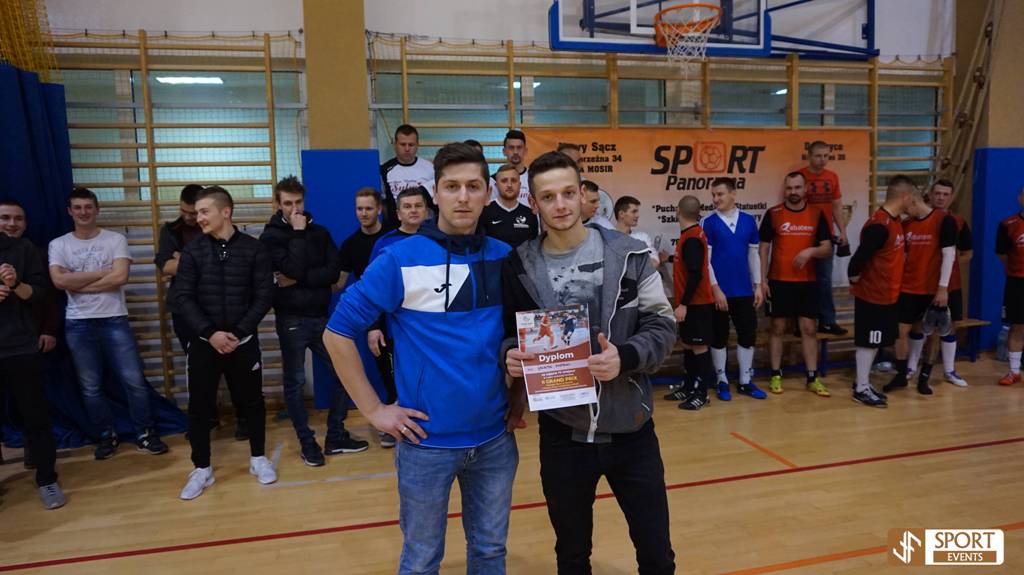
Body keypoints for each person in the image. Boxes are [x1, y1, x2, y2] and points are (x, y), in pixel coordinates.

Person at [324, 143, 519, 574]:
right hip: (426, 445)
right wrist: (374, 410)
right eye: (452, 186)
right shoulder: (399, 258)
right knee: (421, 560)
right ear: (436, 193)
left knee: (490, 553)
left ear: (488, 193)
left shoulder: (505, 258)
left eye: (473, 186)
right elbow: (336, 333)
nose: (463, 197)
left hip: (494, 442)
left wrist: (519, 399)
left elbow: (516, 338)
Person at [502, 151, 677, 574]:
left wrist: (626, 357)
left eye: (568, 193)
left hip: (632, 429)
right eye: (548, 197)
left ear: (583, 194)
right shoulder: (519, 265)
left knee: (657, 556)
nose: (560, 205)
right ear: (533, 203)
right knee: (572, 556)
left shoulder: (631, 254)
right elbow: (509, 331)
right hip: (563, 434)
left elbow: (663, 326)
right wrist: (509, 354)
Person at [49, 187, 168, 459]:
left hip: (114, 319)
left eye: (88, 207)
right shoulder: (59, 244)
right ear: (69, 211)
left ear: (97, 209)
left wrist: (77, 282)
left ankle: (145, 433)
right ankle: (106, 435)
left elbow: (120, 277)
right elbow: (59, 281)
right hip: (78, 323)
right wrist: (102, 273)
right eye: (77, 207)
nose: (83, 212)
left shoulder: (115, 239)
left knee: (134, 381)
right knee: (90, 386)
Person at [174, 186, 276, 500]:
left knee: (252, 402)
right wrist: (210, 333)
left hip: (243, 342)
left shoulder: (254, 249)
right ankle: (201, 468)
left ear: (226, 212)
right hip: (204, 344)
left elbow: (264, 295)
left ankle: (258, 458)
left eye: (204, 211)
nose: (198, 217)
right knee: (200, 406)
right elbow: (183, 297)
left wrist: (239, 332)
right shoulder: (193, 251)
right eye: (197, 212)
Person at [259, 176, 368, 467]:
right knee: (294, 383)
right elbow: (294, 267)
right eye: (288, 203)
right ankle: (307, 443)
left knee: (345, 372)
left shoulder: (320, 232)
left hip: (321, 315)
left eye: (298, 202)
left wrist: (297, 278)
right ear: (278, 204)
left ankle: (336, 435)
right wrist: (297, 235)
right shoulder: (271, 237)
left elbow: (332, 272)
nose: (294, 208)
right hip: (291, 319)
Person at [155, 184, 248, 440]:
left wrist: (183, 259)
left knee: (236, 367)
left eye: (195, 211)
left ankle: (243, 418)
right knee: (199, 370)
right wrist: (194, 261)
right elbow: (166, 265)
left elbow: (227, 262)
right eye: (185, 212)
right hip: (187, 311)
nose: (191, 217)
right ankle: (207, 417)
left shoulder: (220, 230)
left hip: (222, 307)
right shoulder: (171, 230)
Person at [0, 200, 65, 509]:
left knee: (36, 416)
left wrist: (15, 284)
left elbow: (39, 294)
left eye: (18, 219)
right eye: (4, 218)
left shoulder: (26, 250)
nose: (11, 224)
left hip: (21, 347)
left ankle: (47, 478)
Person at [847, 176, 921, 407]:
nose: (915, 202)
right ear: (905, 196)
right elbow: (855, 264)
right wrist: (864, 284)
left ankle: (863, 383)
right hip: (873, 296)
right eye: (914, 197)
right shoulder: (879, 226)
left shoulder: (895, 221)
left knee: (875, 341)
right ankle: (861, 389)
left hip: (888, 295)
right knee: (869, 342)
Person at [758, 172, 833, 397]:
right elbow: (763, 248)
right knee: (777, 328)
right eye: (789, 188)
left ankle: (812, 377)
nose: (793, 192)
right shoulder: (774, 214)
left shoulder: (817, 214)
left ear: (805, 188)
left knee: (809, 329)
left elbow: (827, 248)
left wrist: (811, 251)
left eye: (797, 187)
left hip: (807, 282)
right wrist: (762, 281)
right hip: (779, 281)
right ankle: (775, 374)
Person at [366, 186, 430, 448]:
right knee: (397, 381)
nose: (413, 211)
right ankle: (395, 426)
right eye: (407, 206)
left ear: (427, 211)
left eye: (418, 206)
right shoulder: (385, 244)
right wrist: (373, 326)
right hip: (395, 329)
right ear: (398, 213)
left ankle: (427, 422)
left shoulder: (438, 239)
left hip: (431, 328)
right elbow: (372, 290)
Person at [883, 187, 957, 396]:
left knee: (933, 335)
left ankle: (924, 378)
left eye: (906, 206)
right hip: (907, 288)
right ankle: (901, 375)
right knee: (900, 332)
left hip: (933, 290)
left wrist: (942, 288)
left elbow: (949, 255)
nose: (904, 210)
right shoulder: (906, 224)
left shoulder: (944, 221)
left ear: (914, 201)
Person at [701, 177, 767, 401]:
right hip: (719, 293)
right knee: (719, 336)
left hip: (744, 291)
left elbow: (754, 255)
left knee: (747, 334)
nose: (716, 199)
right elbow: (706, 261)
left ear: (733, 194)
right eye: (713, 195)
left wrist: (758, 285)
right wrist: (716, 289)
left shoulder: (748, 221)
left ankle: (745, 381)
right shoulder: (708, 223)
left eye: (720, 194)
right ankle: (721, 380)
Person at [922, 180, 972, 387]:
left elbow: (968, 253)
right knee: (921, 326)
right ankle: (913, 368)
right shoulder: (919, 220)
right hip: (924, 285)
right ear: (930, 195)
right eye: (937, 193)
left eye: (945, 194)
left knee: (950, 327)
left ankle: (949, 370)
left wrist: (948, 264)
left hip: (951, 286)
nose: (941, 198)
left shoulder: (958, 222)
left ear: (951, 197)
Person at [672, 195, 719, 411]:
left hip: (697, 303)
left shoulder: (691, 238)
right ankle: (689, 386)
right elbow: (690, 264)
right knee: (689, 344)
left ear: (678, 210)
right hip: (692, 302)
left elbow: (695, 274)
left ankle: (702, 394)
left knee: (699, 347)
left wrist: (683, 304)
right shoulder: (690, 235)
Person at [800, 141, 849, 336]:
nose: (822, 160)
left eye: (826, 156)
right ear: (809, 156)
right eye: (818, 156)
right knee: (802, 280)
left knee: (824, 280)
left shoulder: (832, 177)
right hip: (804, 234)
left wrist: (842, 231)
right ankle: (802, 323)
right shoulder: (800, 176)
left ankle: (827, 321)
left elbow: (837, 206)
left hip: (826, 236)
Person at [380, 124, 435, 227]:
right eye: (403, 144)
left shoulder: (430, 168)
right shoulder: (384, 170)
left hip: (425, 228)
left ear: (417, 145)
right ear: (395, 145)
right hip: (395, 227)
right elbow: (382, 202)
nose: (407, 148)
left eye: (411, 144)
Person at [996, 187, 1024, 386]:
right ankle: (1014, 371)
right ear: (1020, 198)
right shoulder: (1007, 224)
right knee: (1016, 326)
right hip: (1017, 282)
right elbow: (1002, 254)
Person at [337, 187, 390, 288]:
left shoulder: (393, 237)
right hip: (367, 296)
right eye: (359, 209)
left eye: (369, 209)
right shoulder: (349, 245)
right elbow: (339, 283)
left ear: (379, 209)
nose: (364, 214)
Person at [480, 163, 539, 247]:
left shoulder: (530, 213)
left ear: (519, 185)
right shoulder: (485, 212)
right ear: (496, 185)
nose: (509, 185)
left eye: (513, 180)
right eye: (504, 181)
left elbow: (534, 247)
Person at [614, 195, 663, 269]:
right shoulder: (608, 238)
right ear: (621, 214)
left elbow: (655, 262)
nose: (637, 215)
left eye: (637, 212)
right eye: (634, 212)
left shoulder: (642, 237)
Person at [492, 129, 530, 205]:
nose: (515, 152)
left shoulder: (533, 178)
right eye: (511, 148)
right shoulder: (493, 181)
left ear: (525, 151)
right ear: (504, 151)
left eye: (519, 147)